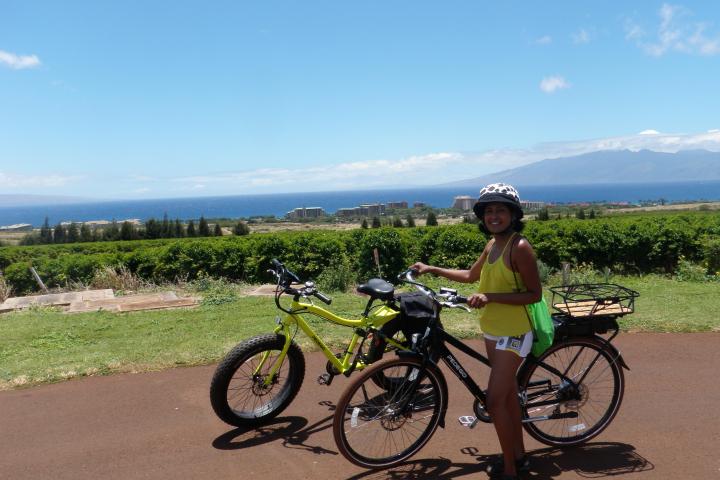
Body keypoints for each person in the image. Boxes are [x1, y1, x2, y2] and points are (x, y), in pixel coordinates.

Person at [411, 183, 542, 480]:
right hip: (493, 330)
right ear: (482, 216)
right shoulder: (492, 244)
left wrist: (491, 297)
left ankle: (510, 470)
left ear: (513, 214)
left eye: (501, 210)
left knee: (494, 402)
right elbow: (471, 276)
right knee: (507, 398)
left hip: (516, 332)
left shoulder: (519, 247)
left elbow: (534, 294)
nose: (494, 216)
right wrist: (432, 269)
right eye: (489, 211)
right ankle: (519, 457)